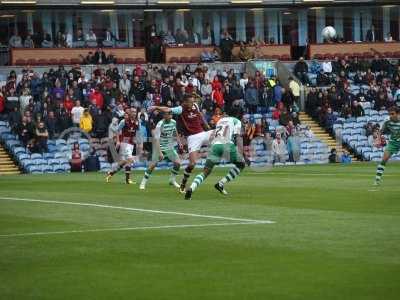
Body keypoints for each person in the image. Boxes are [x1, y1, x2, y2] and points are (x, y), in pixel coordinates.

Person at [149, 94, 211, 193]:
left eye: (192, 101)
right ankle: (183, 184)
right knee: (192, 164)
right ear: (185, 102)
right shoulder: (180, 109)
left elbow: (200, 116)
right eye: (190, 102)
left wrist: (207, 126)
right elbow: (168, 109)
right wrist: (156, 107)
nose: (192, 103)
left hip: (203, 133)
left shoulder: (195, 105)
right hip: (193, 137)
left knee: (218, 134)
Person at [184, 108, 246, 200]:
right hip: (227, 145)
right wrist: (242, 154)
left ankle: (191, 188)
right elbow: (238, 137)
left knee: (206, 171)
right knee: (241, 164)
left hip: (215, 146)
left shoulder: (220, 120)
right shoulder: (236, 121)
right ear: (239, 116)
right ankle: (221, 183)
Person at [140, 111, 181, 190]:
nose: (170, 115)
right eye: (168, 114)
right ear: (164, 115)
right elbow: (156, 140)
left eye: (171, 114)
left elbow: (174, 130)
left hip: (169, 146)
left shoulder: (173, 122)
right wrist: (160, 152)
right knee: (153, 165)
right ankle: (143, 182)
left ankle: (172, 180)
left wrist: (178, 140)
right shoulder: (160, 124)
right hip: (159, 146)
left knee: (178, 163)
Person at [106, 109, 138, 184]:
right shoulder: (124, 121)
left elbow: (135, 131)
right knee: (130, 160)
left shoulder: (137, 122)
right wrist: (118, 141)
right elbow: (117, 131)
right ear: (130, 113)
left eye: (135, 112)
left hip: (131, 144)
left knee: (125, 162)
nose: (134, 113)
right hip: (125, 142)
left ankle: (111, 173)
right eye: (132, 112)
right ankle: (127, 180)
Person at [374, 106, 400, 185]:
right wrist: (378, 140)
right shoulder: (387, 121)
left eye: (393, 114)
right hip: (393, 142)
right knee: (384, 159)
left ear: (398, 114)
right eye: (390, 114)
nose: (391, 116)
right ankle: (377, 180)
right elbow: (381, 131)